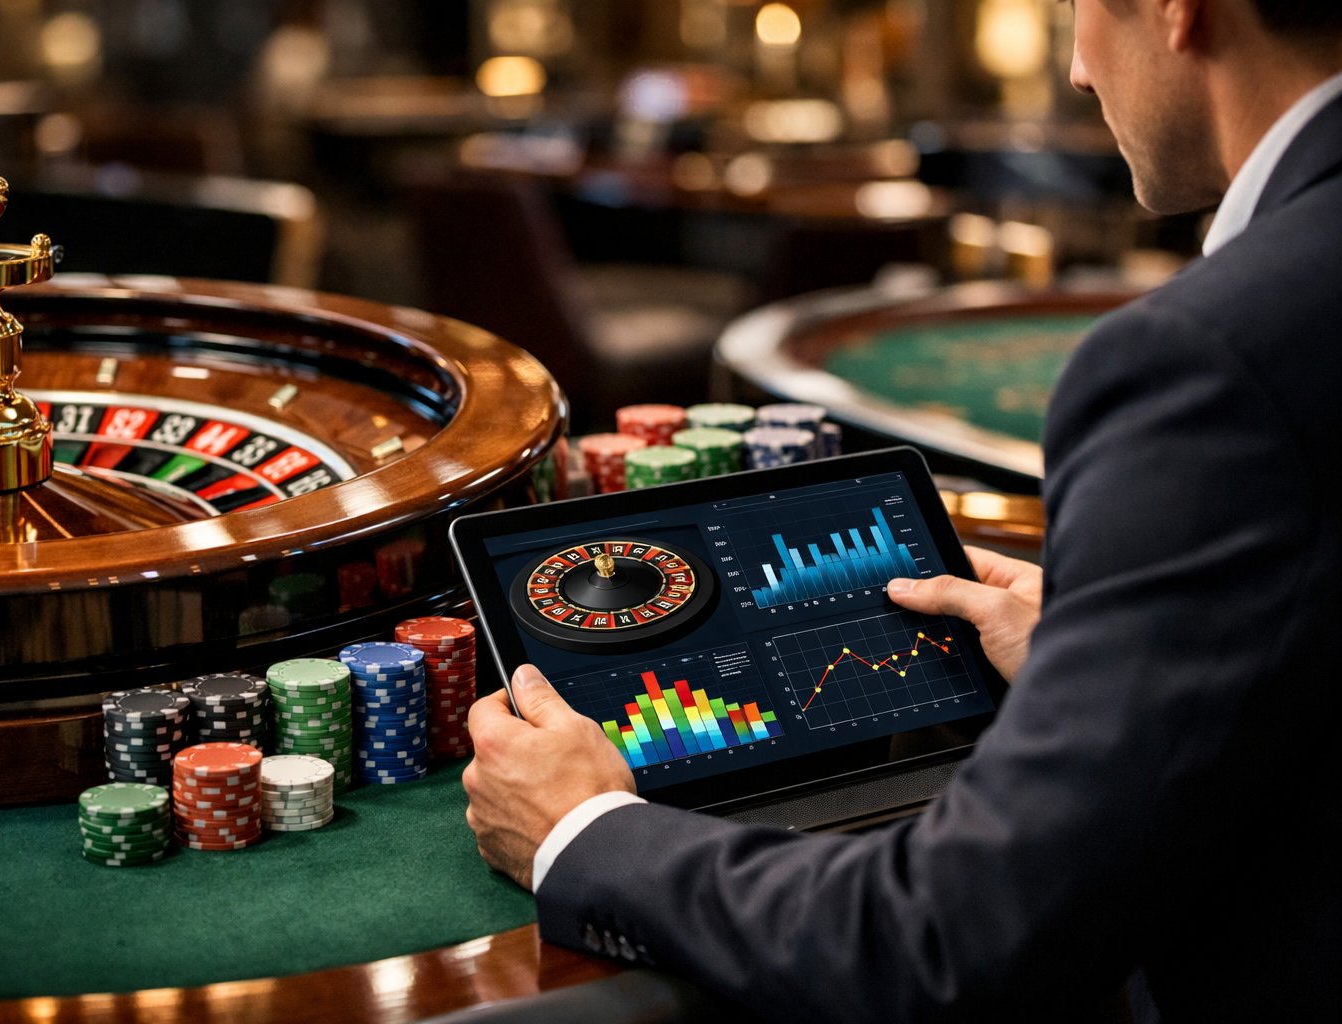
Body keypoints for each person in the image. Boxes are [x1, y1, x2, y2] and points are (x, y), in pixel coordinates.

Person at [462, 0, 1342, 1019]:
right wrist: (1112, 651)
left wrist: (587, 830)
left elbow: (948, 941)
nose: (1077, 71)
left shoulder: (1201, 364)